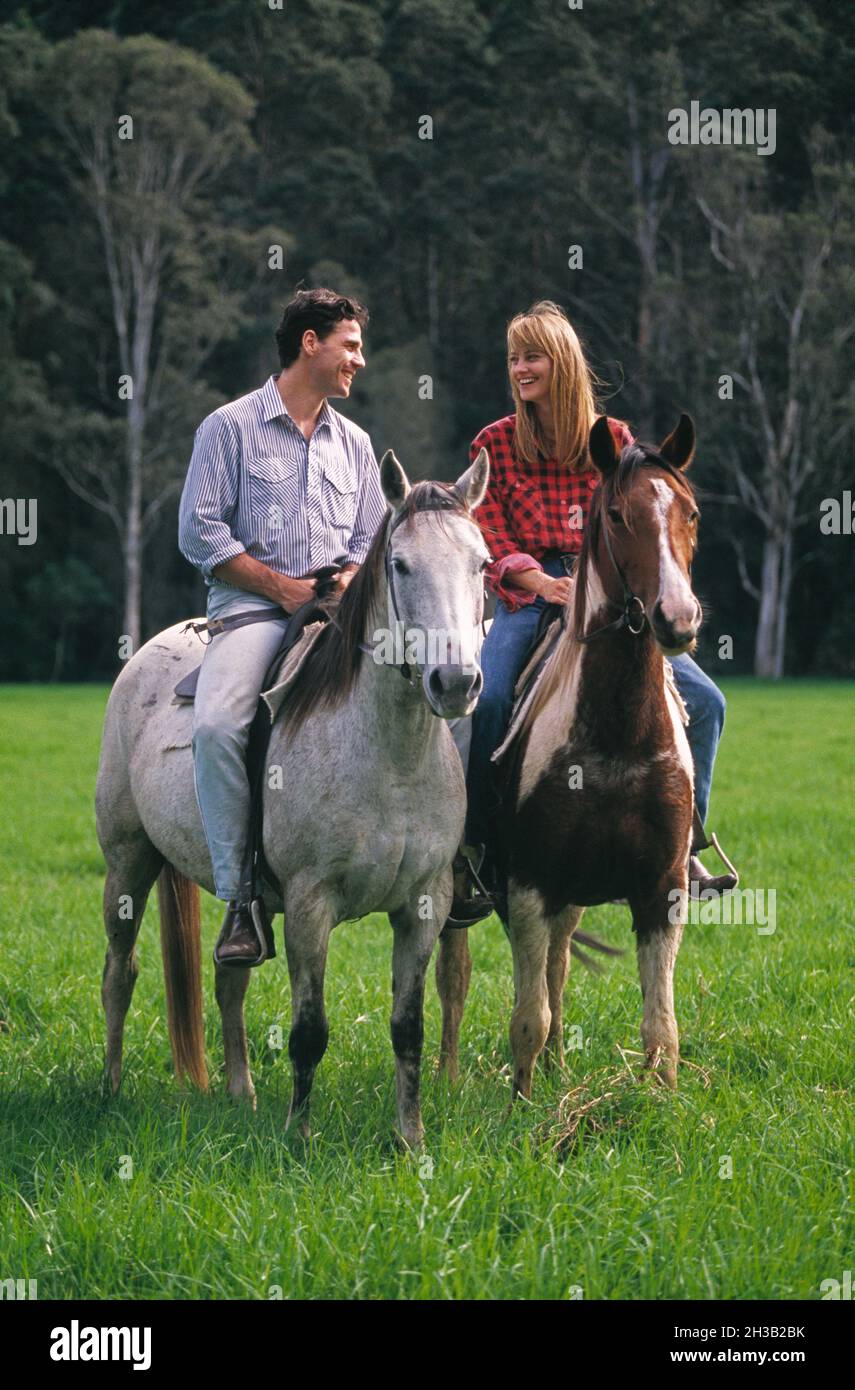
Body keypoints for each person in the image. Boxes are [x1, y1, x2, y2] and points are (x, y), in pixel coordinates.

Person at [451, 300, 737, 924]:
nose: (520, 369)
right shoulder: (494, 442)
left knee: (708, 702)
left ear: (562, 363)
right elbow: (488, 536)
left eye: (532, 357)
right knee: (491, 697)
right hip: (528, 597)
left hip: (609, 598)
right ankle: (474, 850)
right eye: (513, 358)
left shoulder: (614, 441)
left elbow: (636, 523)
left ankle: (685, 845)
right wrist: (543, 583)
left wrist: (592, 585)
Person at [178, 287, 387, 966]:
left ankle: (446, 868)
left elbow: (371, 538)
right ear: (310, 343)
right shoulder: (228, 428)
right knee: (216, 726)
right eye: (349, 345)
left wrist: (348, 582)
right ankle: (241, 900)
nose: (359, 359)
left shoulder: (355, 444)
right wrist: (283, 587)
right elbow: (198, 532)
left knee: (433, 695)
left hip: (337, 618)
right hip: (252, 616)